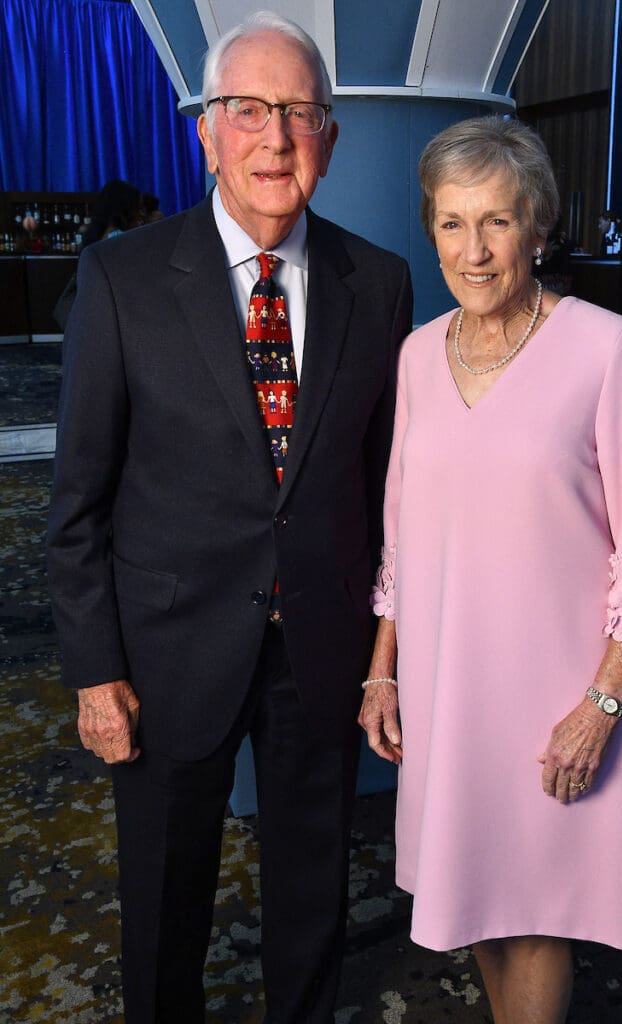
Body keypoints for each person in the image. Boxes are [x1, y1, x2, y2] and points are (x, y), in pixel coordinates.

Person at [46, 11, 412, 1024]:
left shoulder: (377, 285)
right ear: (205, 130)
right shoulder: (122, 282)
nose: (275, 137)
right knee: (164, 907)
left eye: (297, 113)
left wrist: (387, 655)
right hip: (163, 654)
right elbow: (76, 504)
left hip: (322, 647)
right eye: (247, 110)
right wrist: (93, 671)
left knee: (311, 901)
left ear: (329, 141)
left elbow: (390, 491)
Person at [358, 116, 622, 1024]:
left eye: (497, 222)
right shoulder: (419, 356)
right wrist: (384, 667)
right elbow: (402, 531)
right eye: (451, 223)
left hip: (558, 692)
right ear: (430, 230)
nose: (474, 251)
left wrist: (603, 703)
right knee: (472, 886)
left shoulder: (603, 347)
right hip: (447, 683)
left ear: (539, 228)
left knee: (541, 909)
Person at [53, 179, 144, 330]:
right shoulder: (118, 239)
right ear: (126, 208)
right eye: (138, 208)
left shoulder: (93, 235)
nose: (141, 214)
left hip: (91, 313)